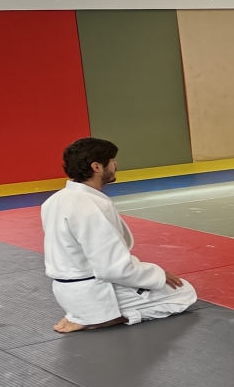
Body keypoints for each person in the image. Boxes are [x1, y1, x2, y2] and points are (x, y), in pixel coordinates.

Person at [44, 138, 198, 334]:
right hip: (93, 293)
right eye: (111, 161)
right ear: (96, 167)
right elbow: (113, 269)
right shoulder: (89, 206)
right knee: (184, 293)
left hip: (67, 291)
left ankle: (82, 314)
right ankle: (108, 317)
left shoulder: (54, 200)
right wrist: (157, 274)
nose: (116, 164)